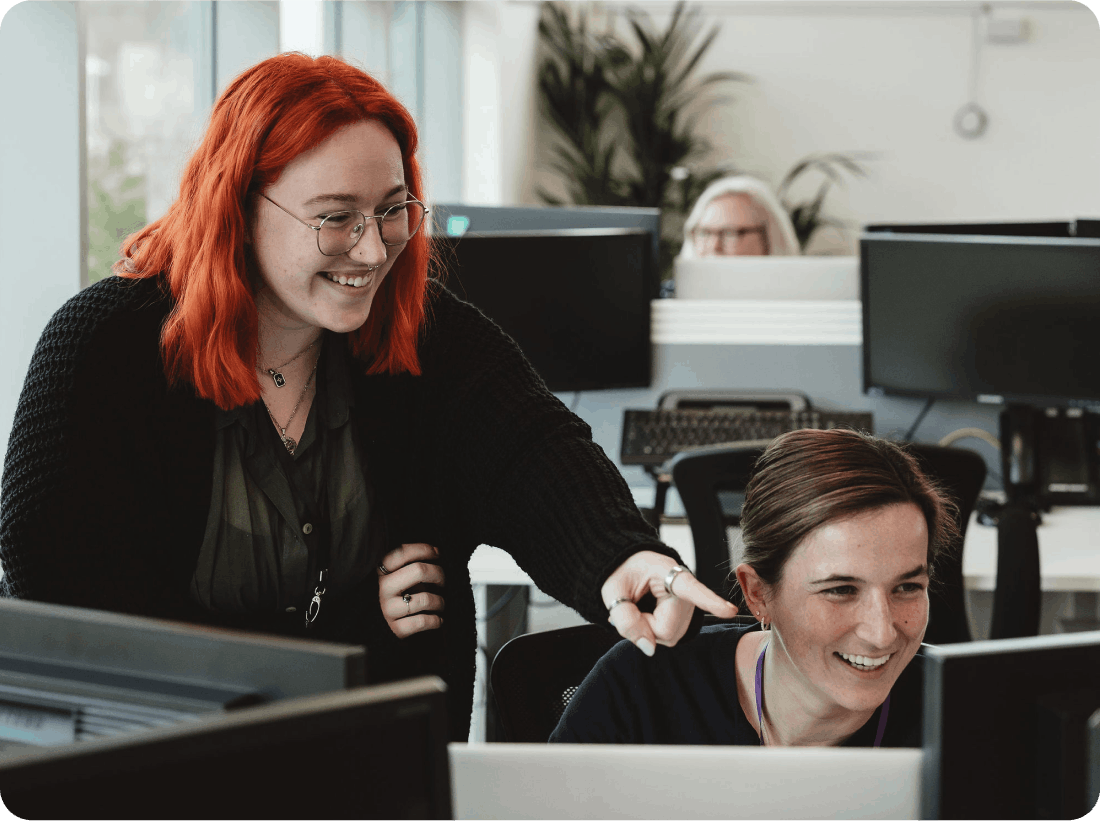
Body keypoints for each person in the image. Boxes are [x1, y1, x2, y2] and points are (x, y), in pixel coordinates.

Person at [0, 53, 736, 741]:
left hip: (382, 764)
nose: (374, 250)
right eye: (335, 218)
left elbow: (534, 453)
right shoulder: (103, 350)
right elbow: (75, 612)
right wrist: (348, 630)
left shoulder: (427, 332)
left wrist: (623, 559)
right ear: (238, 205)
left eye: (391, 208)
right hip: (166, 771)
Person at [550, 428, 959, 747]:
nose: (882, 632)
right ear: (758, 593)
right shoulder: (641, 688)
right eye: (840, 590)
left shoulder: (970, 715)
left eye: (906, 587)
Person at [680, 175, 801, 258]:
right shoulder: (671, 294)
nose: (714, 246)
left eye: (730, 233)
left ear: (769, 239)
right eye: (704, 233)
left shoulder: (800, 294)